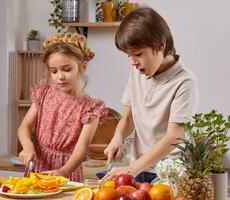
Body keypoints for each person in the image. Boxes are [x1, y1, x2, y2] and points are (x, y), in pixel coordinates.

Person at [103, 7, 199, 183]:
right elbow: (128, 117)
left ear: (160, 45)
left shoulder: (185, 83)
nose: (133, 62)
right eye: (129, 55)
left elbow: (174, 137)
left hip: (170, 174)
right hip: (139, 168)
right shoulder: (138, 71)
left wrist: (132, 169)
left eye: (138, 54)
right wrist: (118, 137)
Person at [18, 32, 108, 182]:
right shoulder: (44, 93)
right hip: (39, 166)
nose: (60, 76)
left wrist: (64, 171)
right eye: (54, 71)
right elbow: (24, 126)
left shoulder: (91, 108)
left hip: (67, 172)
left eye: (66, 69)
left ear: (82, 67)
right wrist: (28, 147)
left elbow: (82, 149)